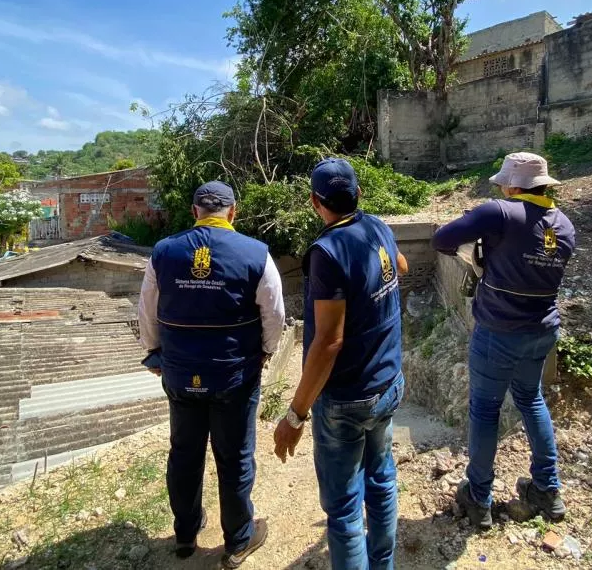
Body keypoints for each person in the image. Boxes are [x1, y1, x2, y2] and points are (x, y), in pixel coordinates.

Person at [137, 181, 285, 567]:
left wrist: (154, 353)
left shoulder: (164, 252)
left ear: (194, 212)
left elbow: (147, 311)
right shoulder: (256, 255)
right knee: (234, 457)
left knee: (184, 452)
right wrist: (266, 353)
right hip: (234, 377)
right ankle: (237, 540)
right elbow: (275, 315)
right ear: (233, 213)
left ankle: (185, 533)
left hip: (181, 374)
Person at [274, 158, 408, 570]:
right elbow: (400, 266)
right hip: (387, 383)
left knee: (345, 506)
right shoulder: (377, 227)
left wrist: (295, 415)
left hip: (348, 397)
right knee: (381, 479)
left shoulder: (327, 252)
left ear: (316, 202)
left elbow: (328, 343)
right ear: (359, 195)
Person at [430, 152, 575, 529]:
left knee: (485, 410)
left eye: (503, 184)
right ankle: (548, 489)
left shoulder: (499, 212)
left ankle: (478, 496)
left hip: (498, 333)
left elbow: (442, 238)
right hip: (542, 331)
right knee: (531, 398)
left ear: (514, 185)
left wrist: (473, 249)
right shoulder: (564, 225)